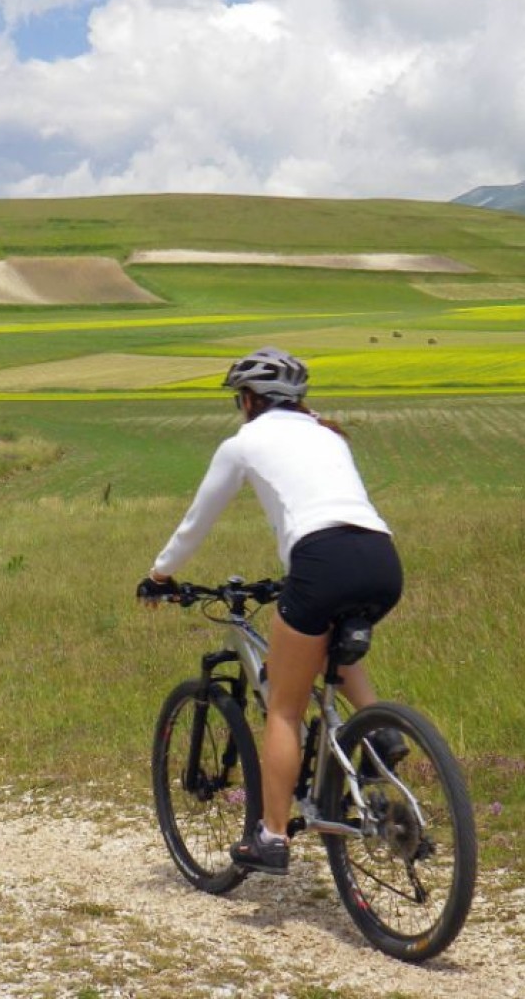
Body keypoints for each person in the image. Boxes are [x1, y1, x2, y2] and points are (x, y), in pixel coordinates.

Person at [137, 346, 404, 875]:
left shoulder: (244, 442)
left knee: (283, 706)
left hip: (321, 559)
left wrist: (159, 576)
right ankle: (380, 731)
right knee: (327, 639)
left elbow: (196, 522)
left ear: (249, 399)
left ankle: (272, 836)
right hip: (381, 558)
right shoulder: (328, 435)